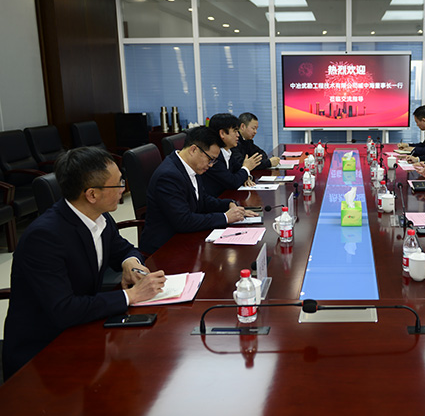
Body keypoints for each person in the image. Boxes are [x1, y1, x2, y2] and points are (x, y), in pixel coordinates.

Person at [2, 147, 167, 380]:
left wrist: (130, 262)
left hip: (82, 327)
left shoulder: (99, 216)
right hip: (43, 353)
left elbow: (124, 249)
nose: (123, 188)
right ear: (92, 194)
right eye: (118, 184)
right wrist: (131, 295)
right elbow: (64, 310)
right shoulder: (45, 237)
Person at [140, 126, 258, 254]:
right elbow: (184, 221)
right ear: (194, 150)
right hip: (165, 249)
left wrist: (228, 204)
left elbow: (202, 200)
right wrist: (225, 217)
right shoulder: (168, 176)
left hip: (185, 238)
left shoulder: (190, 166)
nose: (211, 165)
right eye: (210, 159)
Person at [202, 113, 262, 197]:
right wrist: (246, 168)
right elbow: (233, 182)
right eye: (235, 131)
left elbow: (238, 170)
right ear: (222, 133)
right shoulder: (213, 157)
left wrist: (247, 177)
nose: (238, 135)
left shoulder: (227, 152)